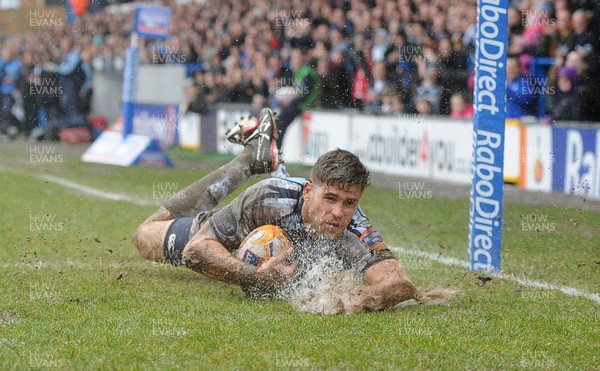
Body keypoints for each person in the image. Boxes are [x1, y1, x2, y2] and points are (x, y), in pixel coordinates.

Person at [133, 108, 417, 314]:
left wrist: (352, 298)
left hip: (281, 222)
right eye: (330, 198)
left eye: (349, 202)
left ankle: (267, 156)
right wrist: (254, 275)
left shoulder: (356, 229)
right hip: (244, 228)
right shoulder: (269, 197)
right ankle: (248, 161)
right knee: (144, 236)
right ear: (309, 192)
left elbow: (400, 286)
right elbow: (195, 251)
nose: (338, 212)